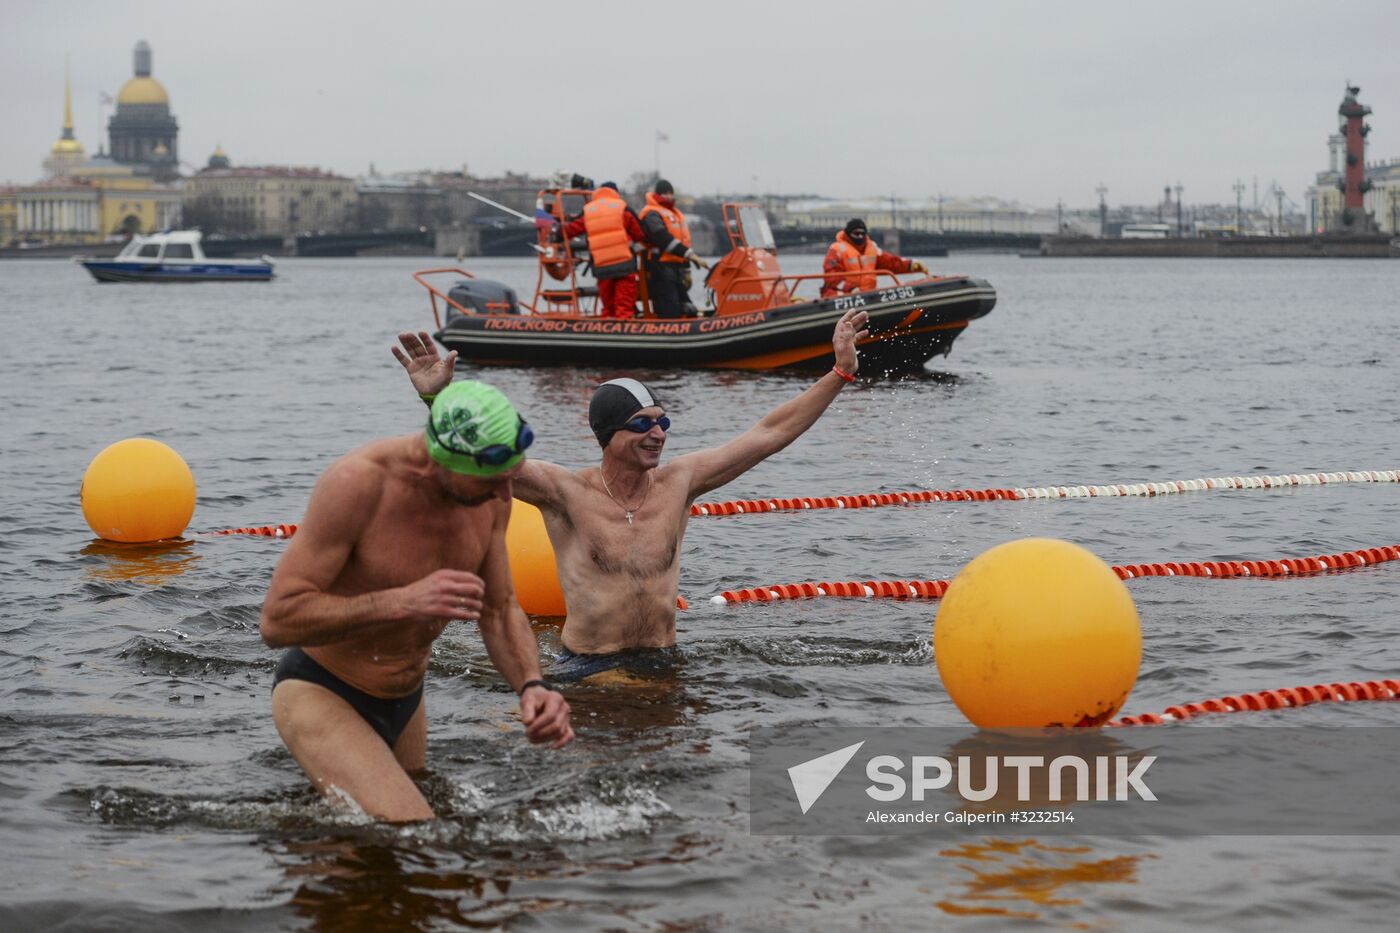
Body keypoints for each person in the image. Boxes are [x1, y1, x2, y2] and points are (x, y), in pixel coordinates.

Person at [392, 308, 870, 679]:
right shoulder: (565, 492)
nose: (658, 433)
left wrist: (839, 373)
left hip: (665, 660)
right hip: (587, 667)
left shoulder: (680, 482)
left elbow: (768, 433)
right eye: (642, 425)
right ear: (608, 435)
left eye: (663, 422)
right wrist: (437, 399)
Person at [260, 381, 574, 823]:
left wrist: (532, 685)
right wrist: (400, 601)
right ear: (443, 461)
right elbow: (277, 620)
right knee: (415, 831)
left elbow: (499, 610)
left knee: (406, 867)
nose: (506, 496)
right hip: (322, 689)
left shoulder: (488, 499)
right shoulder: (358, 486)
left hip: (406, 699)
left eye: (511, 477)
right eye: (494, 479)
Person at [561, 182, 646, 319]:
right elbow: (641, 233)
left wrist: (555, 231)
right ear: (616, 193)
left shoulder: (588, 210)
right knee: (624, 305)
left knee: (608, 305)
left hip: (601, 265)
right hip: (624, 263)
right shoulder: (623, 208)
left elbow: (571, 229)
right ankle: (625, 330)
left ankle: (607, 327)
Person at [638, 179, 705, 318]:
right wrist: (690, 255)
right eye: (664, 193)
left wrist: (686, 269)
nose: (668, 196)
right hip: (659, 266)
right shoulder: (652, 213)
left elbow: (683, 242)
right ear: (657, 194)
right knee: (670, 307)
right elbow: (662, 238)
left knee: (688, 307)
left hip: (676, 268)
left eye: (670, 193)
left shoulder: (675, 214)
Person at [819, 218, 928, 299]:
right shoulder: (836, 250)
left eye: (863, 234)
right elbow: (832, 277)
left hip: (867, 295)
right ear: (848, 234)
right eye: (856, 234)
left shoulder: (872, 248)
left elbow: (890, 262)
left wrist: (910, 264)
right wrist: (850, 289)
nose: (860, 237)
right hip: (843, 293)